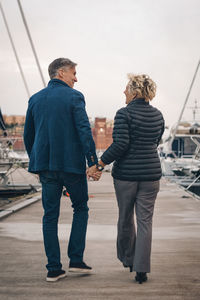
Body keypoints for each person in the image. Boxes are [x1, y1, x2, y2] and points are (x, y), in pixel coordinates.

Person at [24, 58, 101, 282]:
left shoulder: (35, 99)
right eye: (74, 73)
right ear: (61, 73)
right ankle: (76, 260)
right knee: (81, 208)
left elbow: (29, 135)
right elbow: (84, 131)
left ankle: (53, 268)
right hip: (71, 166)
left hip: (46, 167)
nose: (76, 78)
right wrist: (92, 162)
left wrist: (35, 161)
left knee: (50, 216)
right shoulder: (74, 97)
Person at [90, 74, 165, 284]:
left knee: (125, 218)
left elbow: (121, 144)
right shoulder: (158, 115)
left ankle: (128, 258)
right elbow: (155, 141)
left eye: (126, 88)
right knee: (145, 222)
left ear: (135, 91)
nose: (123, 92)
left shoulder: (124, 114)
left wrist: (100, 164)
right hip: (151, 175)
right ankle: (142, 270)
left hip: (126, 177)